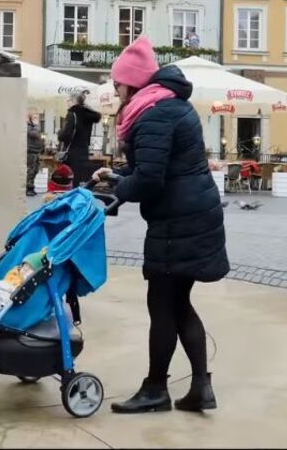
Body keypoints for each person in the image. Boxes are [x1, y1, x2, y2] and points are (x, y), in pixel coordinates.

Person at [92, 36, 228, 415]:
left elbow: (150, 180)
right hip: (191, 215)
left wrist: (121, 185)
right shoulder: (167, 106)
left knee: (163, 303)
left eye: (118, 83)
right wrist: (120, 176)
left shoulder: (153, 113)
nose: (115, 89)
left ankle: (155, 389)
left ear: (132, 82)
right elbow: (154, 168)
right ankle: (200, 388)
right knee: (178, 301)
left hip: (178, 222)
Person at [58, 92, 101, 188]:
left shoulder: (72, 113)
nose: (67, 102)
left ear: (73, 101)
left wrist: (60, 133)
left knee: (69, 180)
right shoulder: (88, 115)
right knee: (80, 179)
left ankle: (71, 200)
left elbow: (66, 134)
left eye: (68, 100)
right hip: (84, 151)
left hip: (72, 153)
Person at [26, 112, 44, 197]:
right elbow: (35, 134)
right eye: (34, 118)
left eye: (37, 118)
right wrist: (36, 126)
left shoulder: (34, 127)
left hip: (36, 151)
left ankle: (31, 186)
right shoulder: (29, 126)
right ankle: (28, 188)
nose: (37, 120)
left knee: (35, 170)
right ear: (30, 118)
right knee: (31, 170)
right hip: (31, 151)